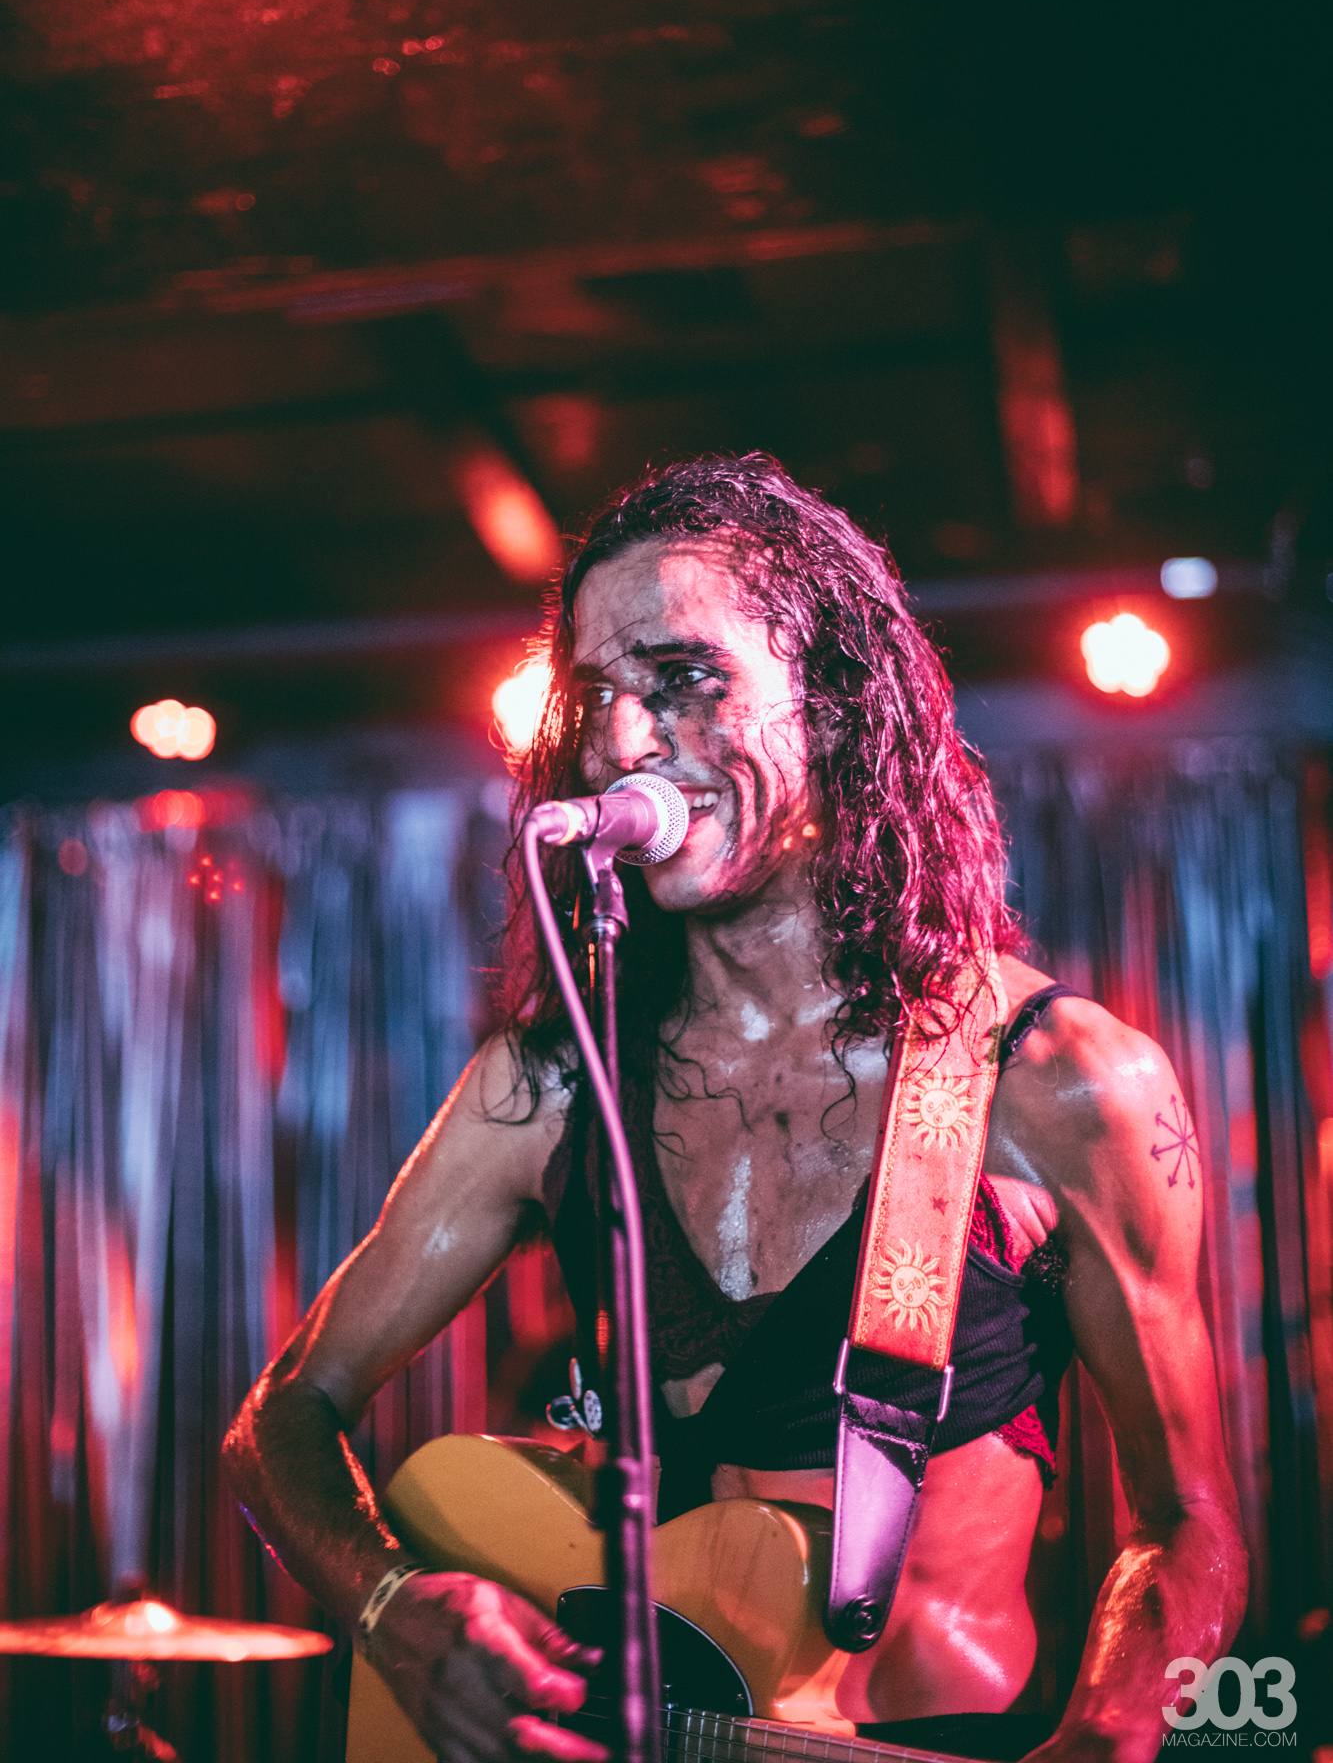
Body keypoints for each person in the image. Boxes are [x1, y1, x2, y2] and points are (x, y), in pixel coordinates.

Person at [223, 453, 1248, 1763]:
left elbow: (1189, 1522)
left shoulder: (1051, 1080)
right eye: (598, 696)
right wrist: (391, 1606)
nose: (621, 743)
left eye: (684, 679)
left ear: (834, 702)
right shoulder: (551, 1085)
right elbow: (281, 1416)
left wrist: (1113, 1726)